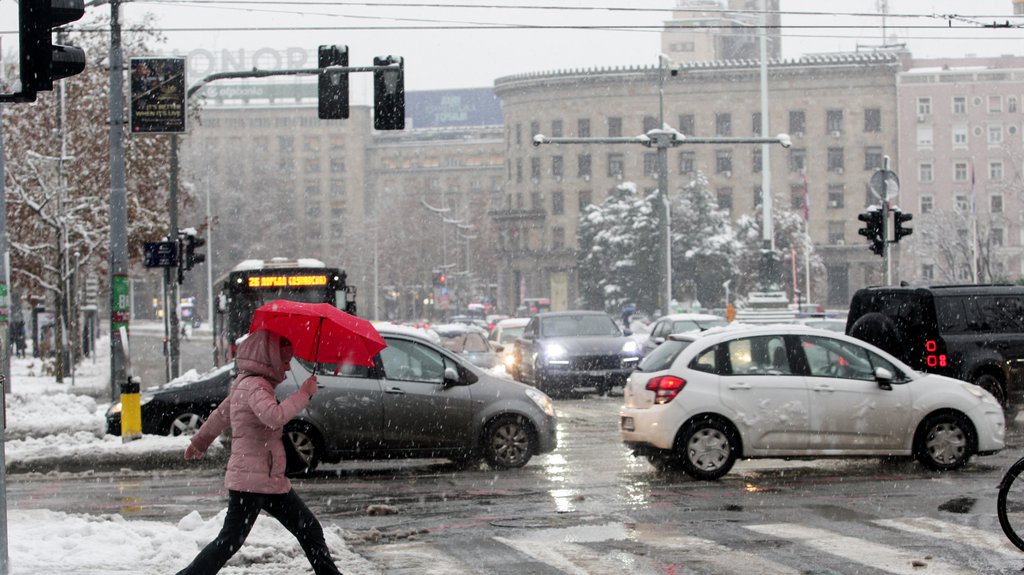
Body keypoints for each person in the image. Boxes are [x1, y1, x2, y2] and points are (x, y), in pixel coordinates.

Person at [175, 329, 342, 575]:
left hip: (266, 479)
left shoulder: (246, 383)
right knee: (229, 542)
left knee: (308, 528)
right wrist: (304, 394)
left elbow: (221, 415)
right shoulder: (256, 386)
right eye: (284, 361)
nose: (287, 368)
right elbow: (274, 418)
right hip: (252, 482)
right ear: (270, 360)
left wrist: (200, 441)